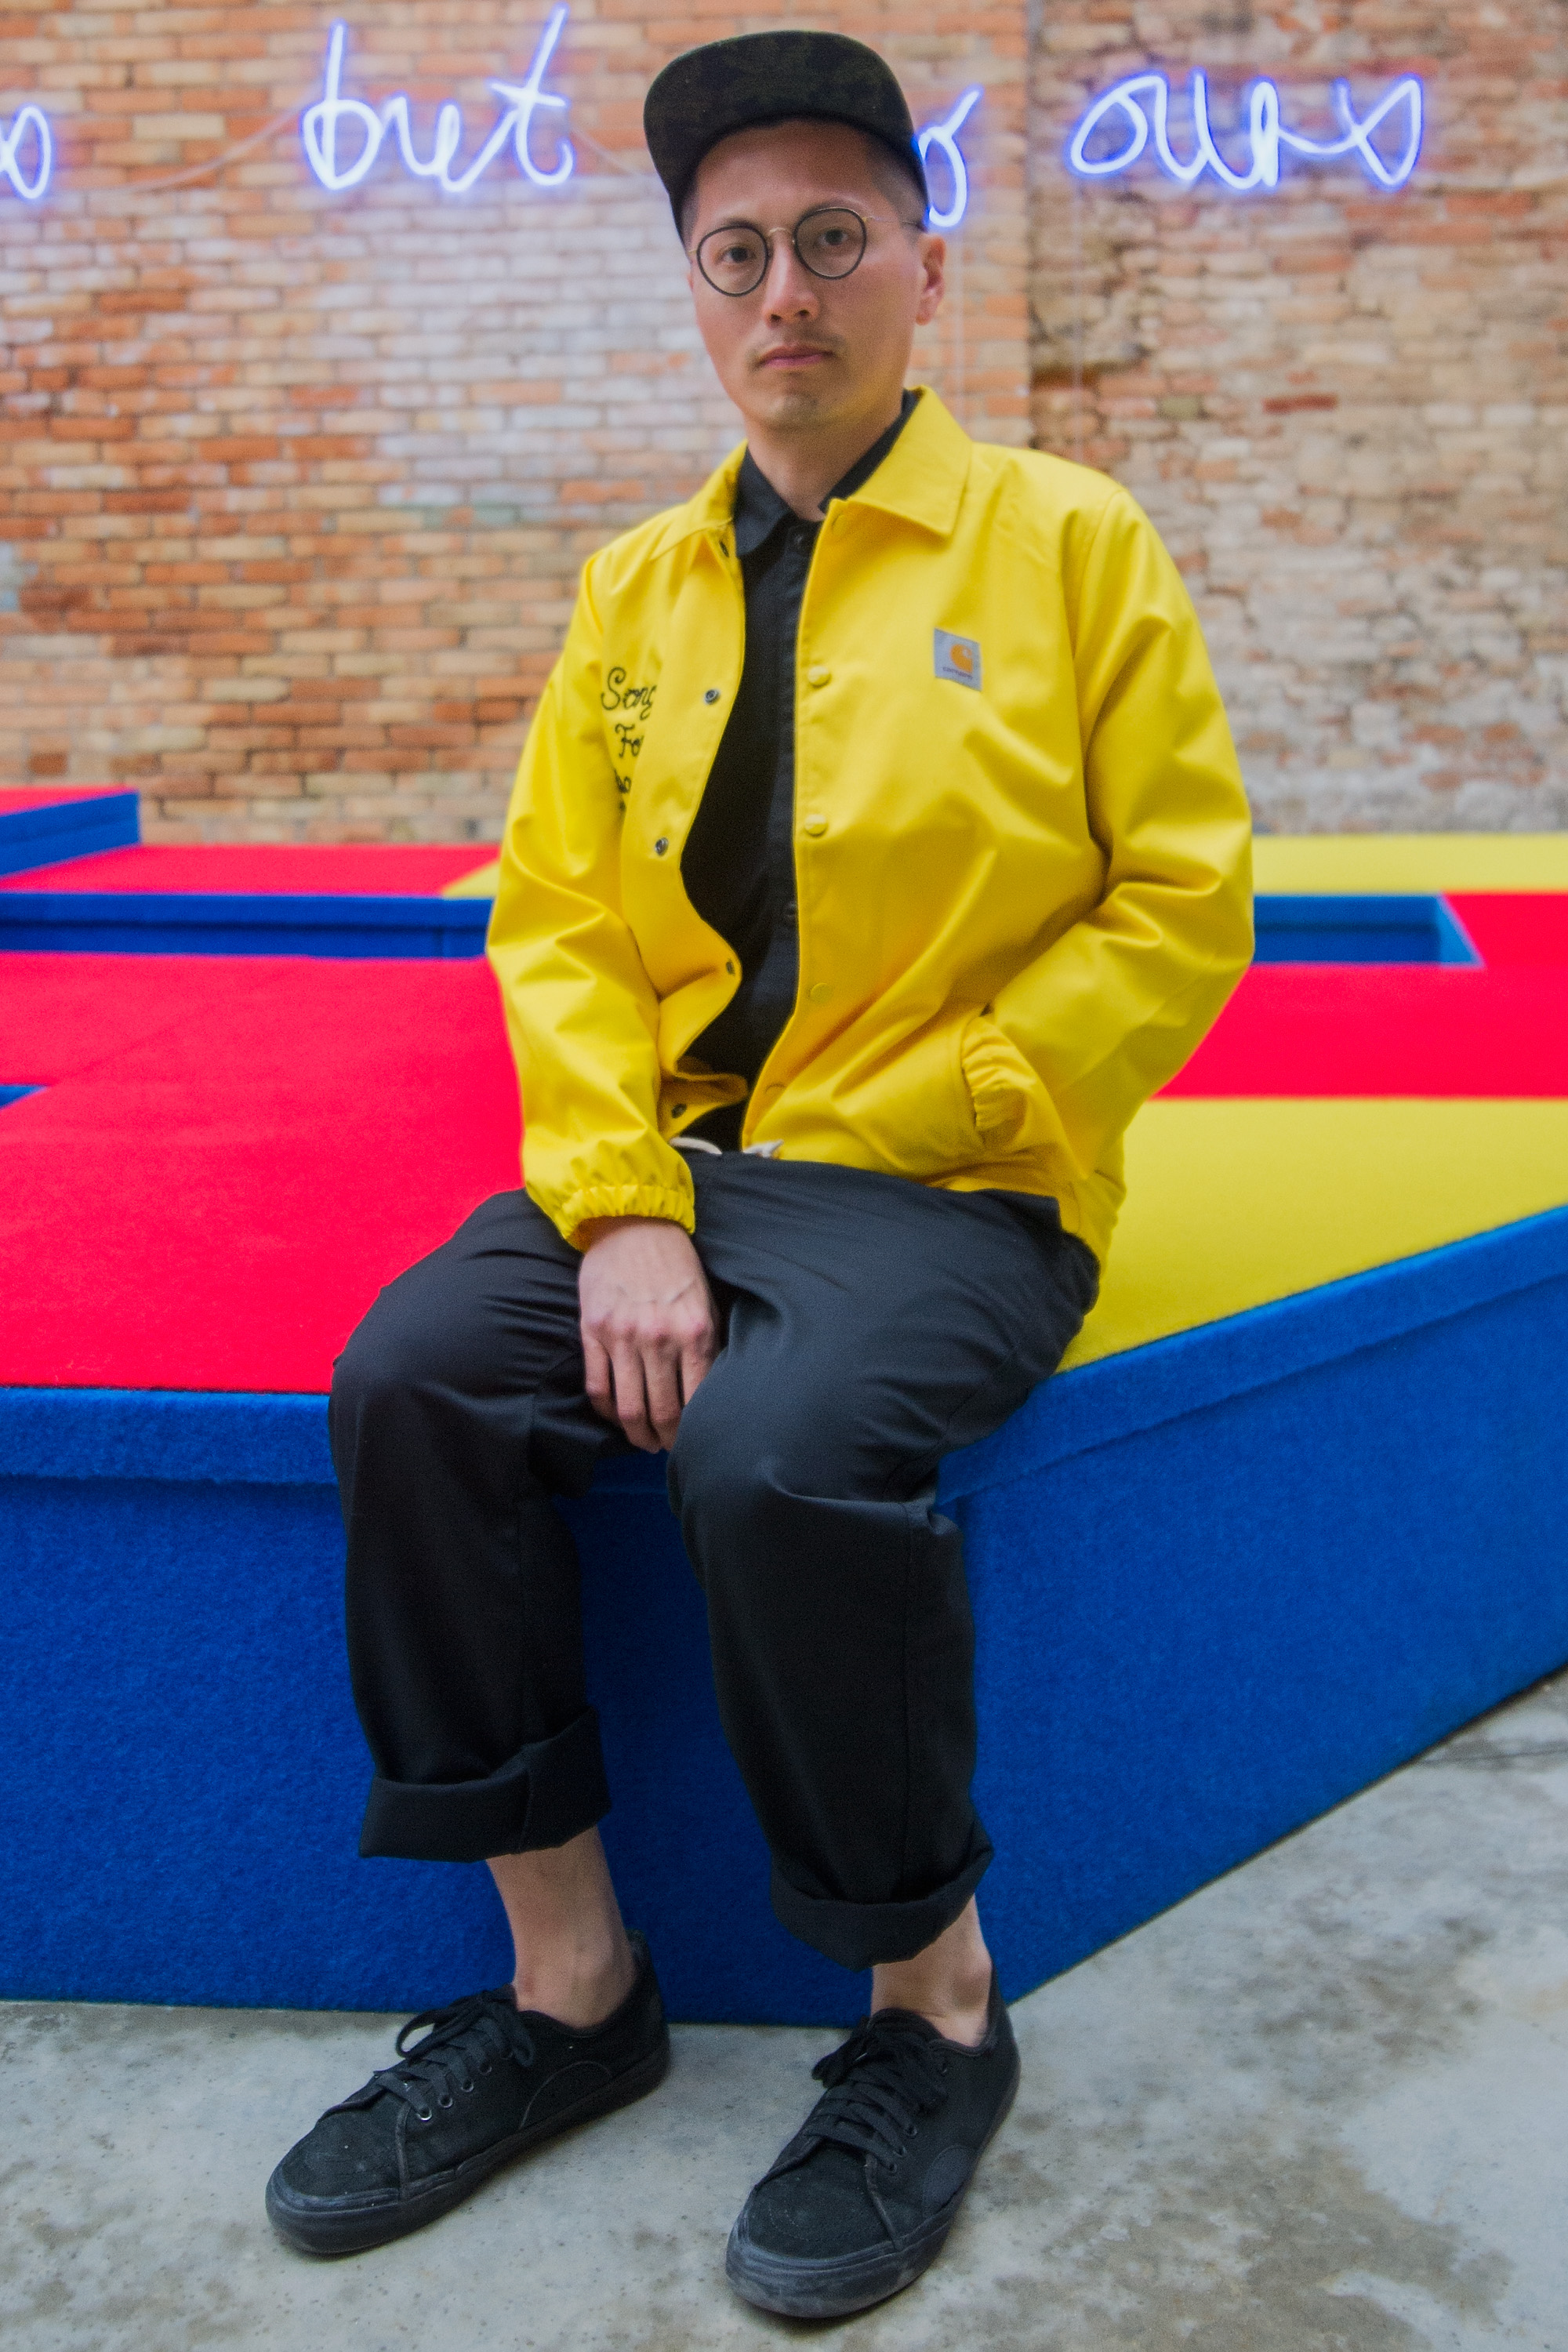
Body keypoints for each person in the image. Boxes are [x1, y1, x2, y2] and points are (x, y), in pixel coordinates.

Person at [264, 27, 1252, 2318]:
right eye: (737, 254)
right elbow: (562, 921)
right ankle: (571, 1996)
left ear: (923, 262)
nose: (785, 289)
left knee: (782, 1456)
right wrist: (619, 1195)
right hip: (682, 1170)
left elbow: (1180, 897)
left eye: (832, 238)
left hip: (957, 1182)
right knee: (410, 1381)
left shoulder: (1071, 542)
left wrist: (969, 1105)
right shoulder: (633, 593)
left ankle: (934, 2014)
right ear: (696, 297)